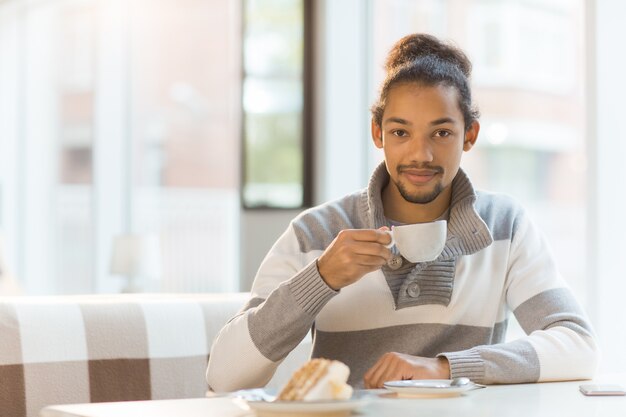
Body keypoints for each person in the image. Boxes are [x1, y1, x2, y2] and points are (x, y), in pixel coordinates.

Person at [206, 33, 599, 391]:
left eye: (441, 133)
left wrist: (447, 367)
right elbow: (224, 376)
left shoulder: (505, 226)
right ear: (377, 133)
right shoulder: (315, 233)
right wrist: (322, 278)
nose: (420, 155)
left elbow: (577, 345)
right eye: (400, 132)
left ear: (470, 135)